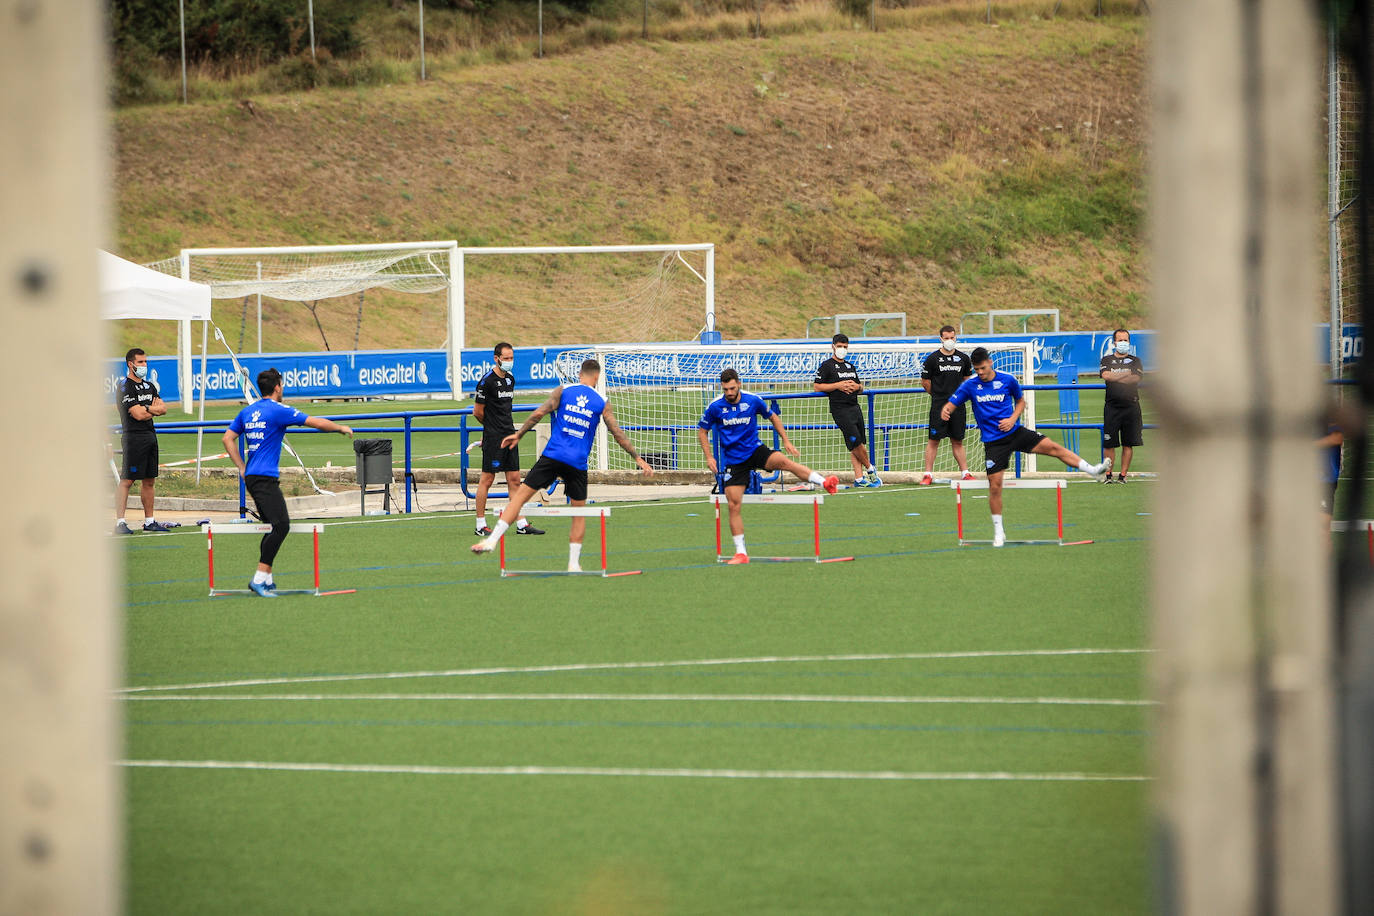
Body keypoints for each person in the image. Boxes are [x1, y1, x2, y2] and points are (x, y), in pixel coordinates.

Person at [471, 359, 654, 572]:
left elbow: (539, 413)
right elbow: (616, 432)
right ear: (597, 378)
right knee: (578, 513)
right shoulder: (602, 401)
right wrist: (637, 458)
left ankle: (492, 541)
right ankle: (573, 563)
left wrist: (518, 435)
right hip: (577, 462)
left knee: (519, 497)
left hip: (553, 455)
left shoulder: (563, 390)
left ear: (579, 374)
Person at [942, 347, 1111, 546]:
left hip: (1015, 432)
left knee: (1054, 447)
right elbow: (951, 404)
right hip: (993, 442)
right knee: (995, 487)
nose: (980, 372)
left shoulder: (1008, 379)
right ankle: (999, 532)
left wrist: (1012, 419)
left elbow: (1021, 401)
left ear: (990, 362)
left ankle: (1092, 470)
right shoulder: (970, 386)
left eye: (982, 368)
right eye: (976, 369)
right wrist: (946, 411)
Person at [222, 368, 354, 597]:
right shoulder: (277, 410)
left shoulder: (247, 411)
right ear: (277, 388)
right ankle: (258, 579)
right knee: (282, 525)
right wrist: (340, 428)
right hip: (264, 478)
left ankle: (268, 579)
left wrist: (242, 468)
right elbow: (314, 422)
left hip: (253, 477)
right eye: (282, 385)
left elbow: (227, 438)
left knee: (271, 525)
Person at [699, 368, 839, 564]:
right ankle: (741, 553)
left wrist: (786, 440)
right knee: (733, 504)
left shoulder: (753, 400)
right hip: (734, 460)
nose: (729, 393)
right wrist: (709, 457)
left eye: (732, 388)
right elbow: (702, 431)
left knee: (784, 461)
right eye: (725, 390)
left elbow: (773, 416)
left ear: (739, 384)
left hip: (755, 451)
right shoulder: (715, 406)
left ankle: (825, 482)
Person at [472, 342, 543, 538]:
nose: (510, 362)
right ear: (497, 358)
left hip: (510, 435)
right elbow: (478, 412)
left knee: (514, 479)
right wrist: (490, 429)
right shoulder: (486, 381)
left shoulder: (510, 379)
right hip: (494, 438)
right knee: (487, 478)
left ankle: (521, 522)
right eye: (506, 358)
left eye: (512, 358)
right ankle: (480, 524)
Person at [813, 333, 881, 487]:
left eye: (845, 347)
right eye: (839, 346)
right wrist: (837, 386)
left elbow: (860, 386)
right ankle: (871, 469)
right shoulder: (826, 365)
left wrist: (858, 387)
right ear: (833, 346)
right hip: (840, 409)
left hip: (855, 407)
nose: (842, 349)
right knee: (855, 442)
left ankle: (858, 479)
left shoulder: (850, 366)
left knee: (859, 443)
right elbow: (817, 387)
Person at [114, 347, 169, 534]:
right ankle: (120, 522)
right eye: (140, 362)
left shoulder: (150, 386)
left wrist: (147, 409)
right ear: (131, 364)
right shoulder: (124, 386)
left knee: (149, 480)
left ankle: (149, 521)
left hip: (150, 436)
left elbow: (163, 409)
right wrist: (151, 409)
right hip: (133, 438)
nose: (144, 365)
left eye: (145, 361)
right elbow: (137, 415)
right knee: (127, 480)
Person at [920, 325, 975, 485]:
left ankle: (965, 473)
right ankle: (928, 474)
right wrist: (938, 396)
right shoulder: (932, 359)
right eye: (946, 338)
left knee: (957, 440)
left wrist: (957, 399)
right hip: (938, 406)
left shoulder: (964, 359)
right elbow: (925, 382)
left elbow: (967, 381)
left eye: (952, 338)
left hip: (958, 407)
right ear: (941, 339)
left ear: (956, 338)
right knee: (934, 440)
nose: (949, 341)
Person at [1098, 328, 1144, 483]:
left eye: (1126, 340)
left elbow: (1135, 378)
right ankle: (1108, 475)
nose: (1123, 343)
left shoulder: (1135, 360)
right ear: (1114, 342)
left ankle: (1123, 476)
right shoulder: (1106, 360)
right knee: (1109, 443)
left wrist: (1116, 376)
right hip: (1112, 407)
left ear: (1129, 342)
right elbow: (1106, 376)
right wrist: (1126, 373)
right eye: (1120, 340)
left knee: (1128, 443)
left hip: (1131, 406)